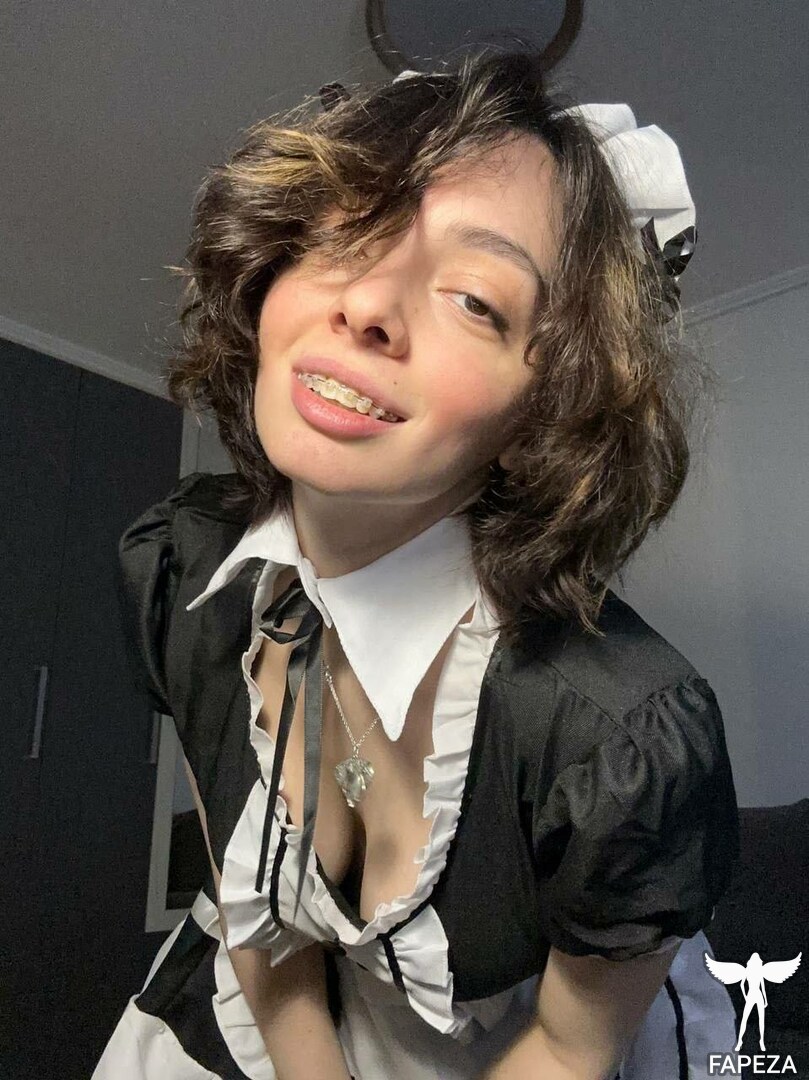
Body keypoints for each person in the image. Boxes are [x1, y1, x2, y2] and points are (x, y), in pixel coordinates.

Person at [95, 52, 742, 1080]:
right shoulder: (184, 573)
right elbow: (248, 906)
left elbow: (571, 1045)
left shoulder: (614, 740)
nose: (367, 301)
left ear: (544, 415)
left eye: (475, 299)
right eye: (346, 233)